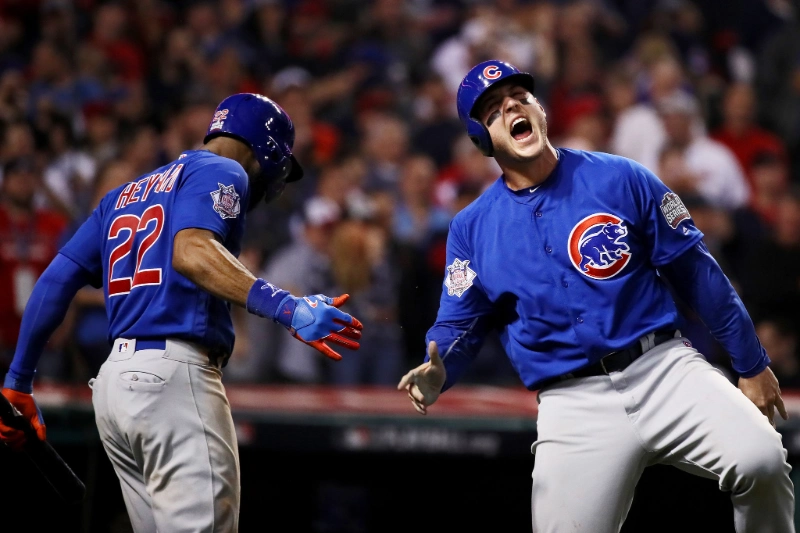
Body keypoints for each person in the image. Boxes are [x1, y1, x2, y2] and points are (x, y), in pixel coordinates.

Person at [397, 61, 793, 533]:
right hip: (572, 403)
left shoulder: (622, 177)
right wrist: (438, 369)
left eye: (519, 97)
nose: (511, 108)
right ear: (482, 139)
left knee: (763, 459)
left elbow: (697, 273)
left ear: (540, 110)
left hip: (664, 369)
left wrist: (750, 363)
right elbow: (456, 325)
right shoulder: (471, 229)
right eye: (493, 110)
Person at [0, 93, 364, 532]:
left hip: (115, 386)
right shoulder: (224, 169)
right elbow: (191, 251)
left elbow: (55, 282)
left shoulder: (122, 195)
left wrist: (18, 381)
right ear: (266, 149)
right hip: (174, 380)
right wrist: (287, 307)